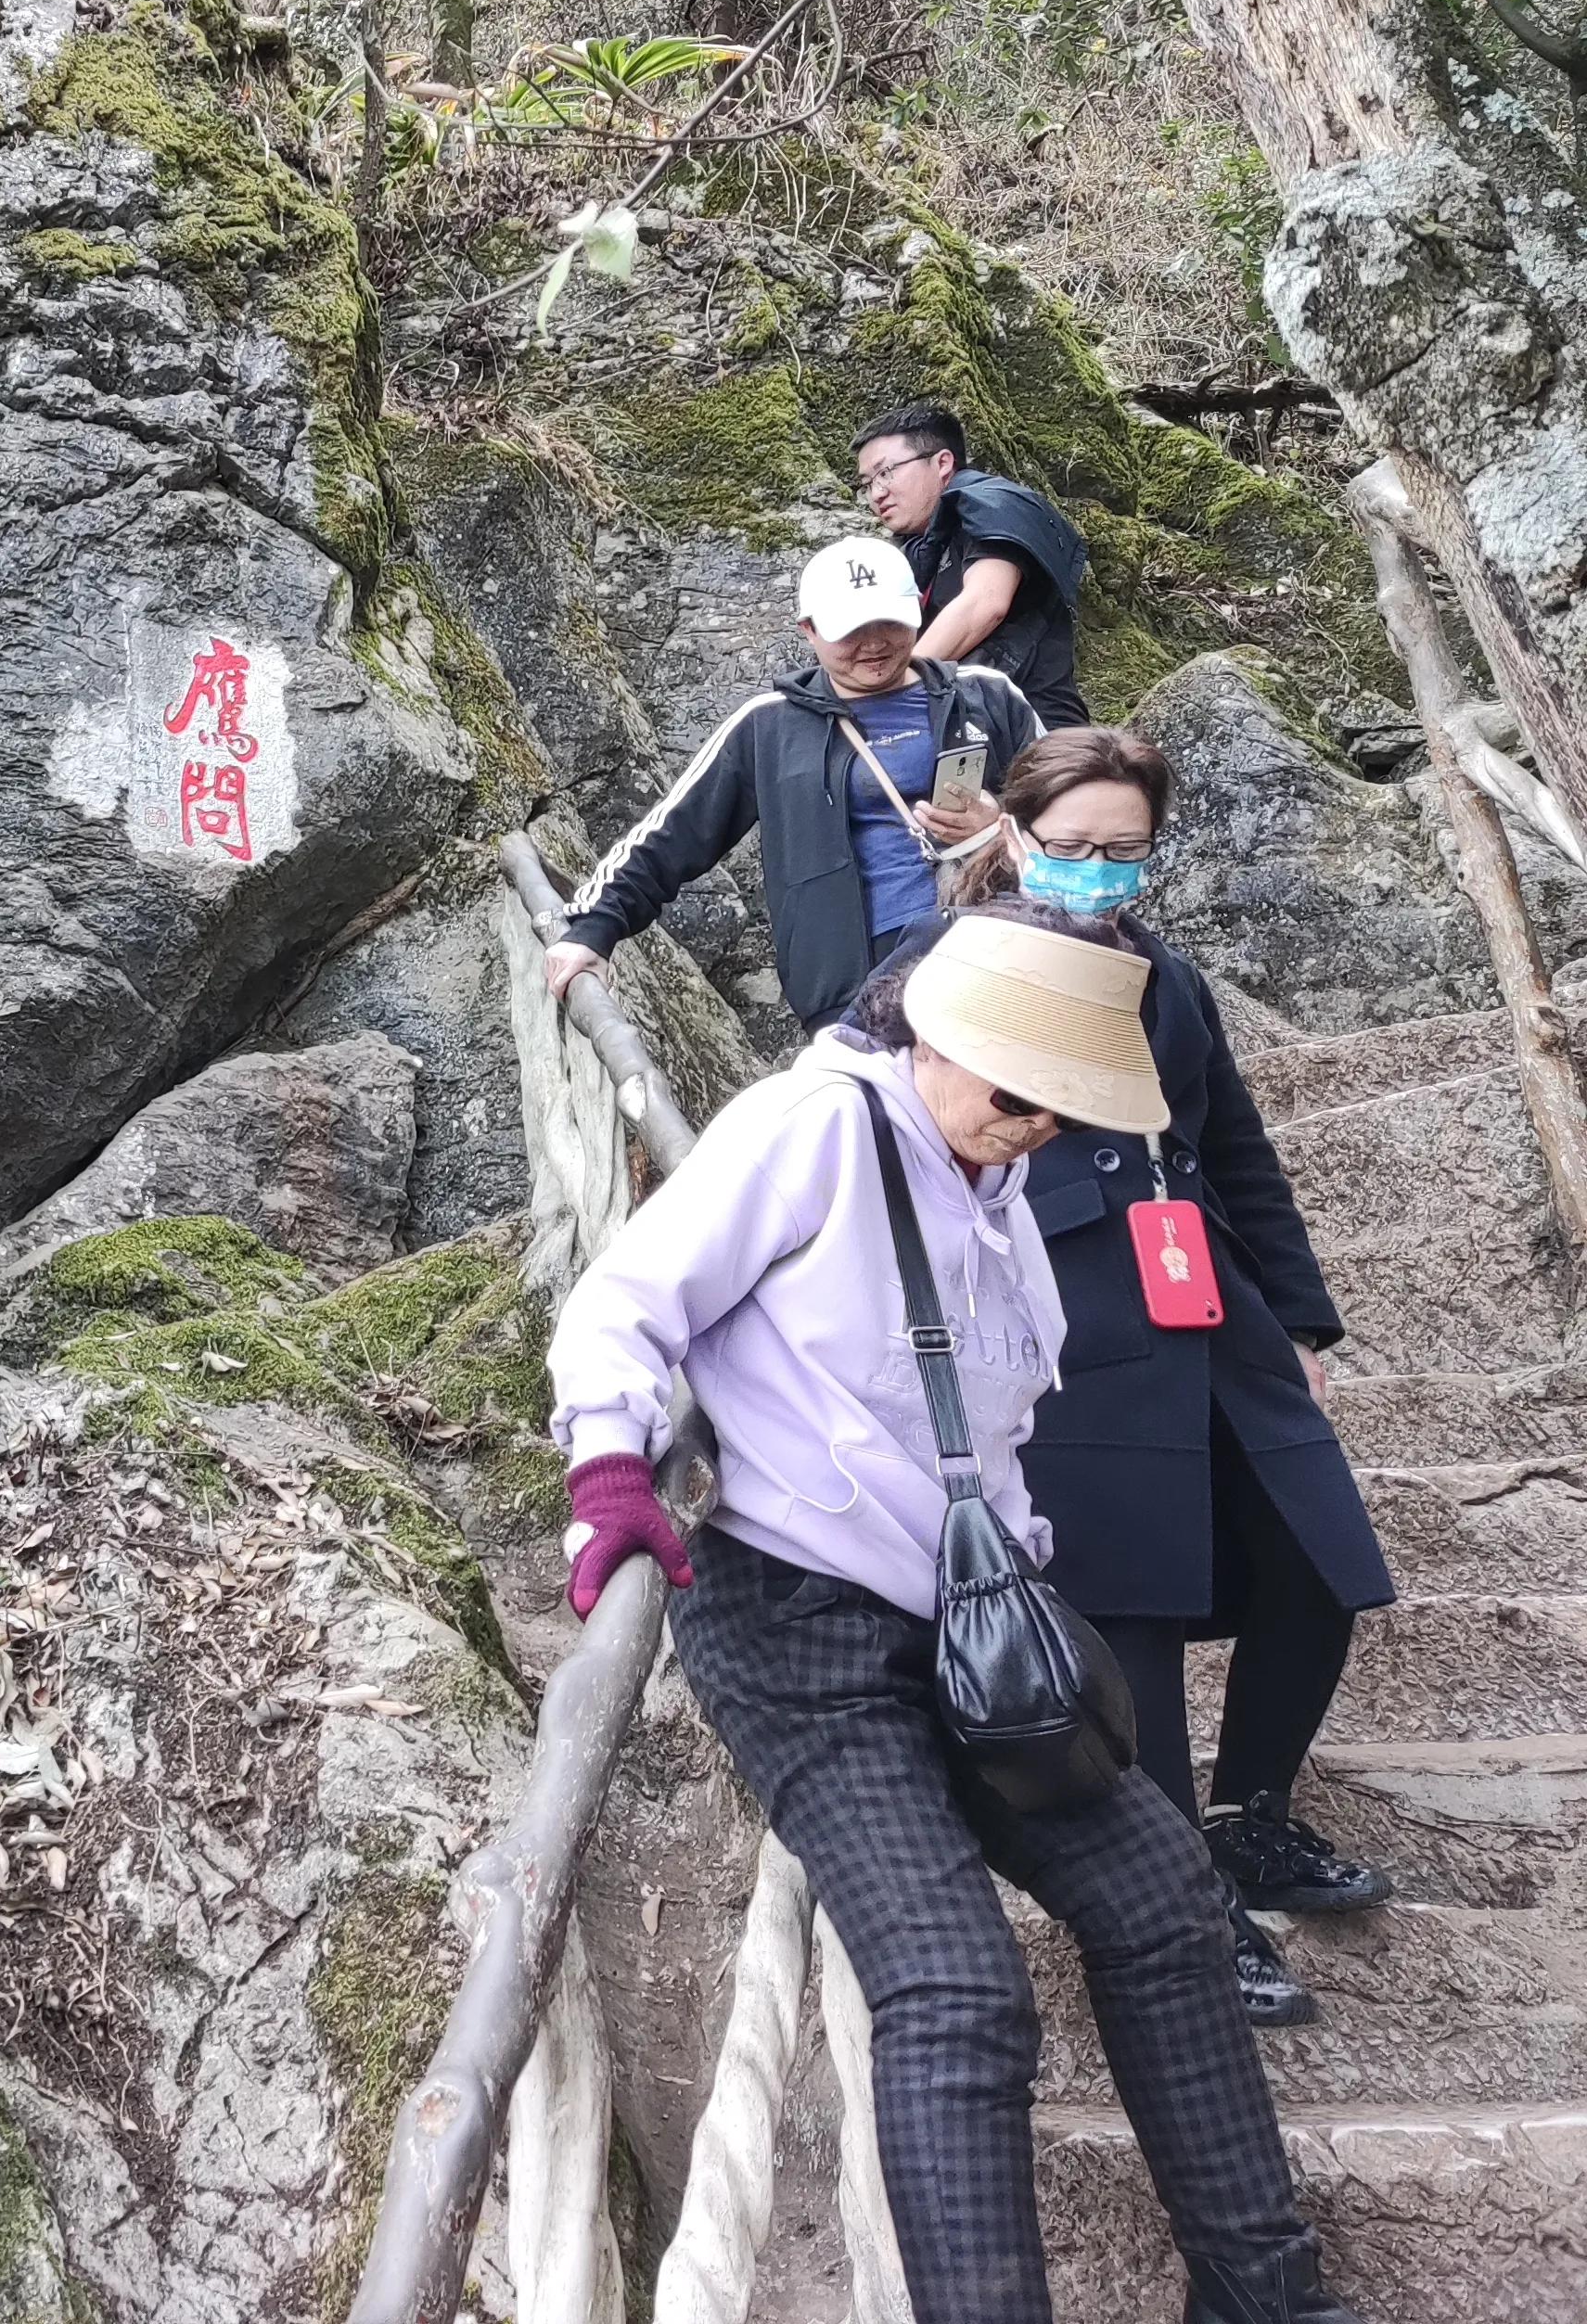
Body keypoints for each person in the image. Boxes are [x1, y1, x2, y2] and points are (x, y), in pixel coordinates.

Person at [548, 907, 1362, 2324]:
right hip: (799, 1622)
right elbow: (624, 1301)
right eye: (1013, 1091)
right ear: (935, 1034)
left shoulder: (991, 1186)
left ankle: (1267, 2296)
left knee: (1169, 1905)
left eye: (1061, 1107)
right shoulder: (810, 1129)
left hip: (974, 1625)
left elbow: (995, 1422)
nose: (1035, 1124)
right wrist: (612, 1471)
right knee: (953, 1984)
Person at [948, 726, 1398, 2031]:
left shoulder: (1171, 977)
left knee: (1317, 1561)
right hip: (1067, 1317)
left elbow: (1238, 1154)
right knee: (1131, 1612)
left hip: (1209, 1302)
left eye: (1124, 854)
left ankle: (1252, 1810)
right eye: (1076, 848)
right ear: (1019, 833)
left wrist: (1302, 1326)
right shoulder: (955, 970)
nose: (1098, 873)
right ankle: (1180, 1896)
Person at [544, 536, 1042, 1032]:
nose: (873, 643)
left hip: (997, 954)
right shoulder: (768, 727)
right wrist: (594, 929)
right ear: (808, 629)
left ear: (916, 608)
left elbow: (1077, 809)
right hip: (854, 989)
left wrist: (1000, 824)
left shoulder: (986, 695)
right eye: (851, 629)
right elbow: (672, 834)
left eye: (888, 621)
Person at [854, 400, 1094, 730]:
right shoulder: (921, 546)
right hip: (966, 725)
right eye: (867, 483)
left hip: (1036, 729)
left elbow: (985, 603)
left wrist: (887, 698)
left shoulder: (993, 502)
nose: (876, 493)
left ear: (942, 462)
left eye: (885, 472)